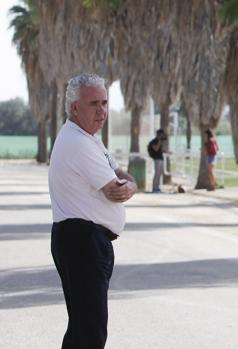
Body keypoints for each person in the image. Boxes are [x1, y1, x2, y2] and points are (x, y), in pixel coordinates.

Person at [49, 73, 138, 348]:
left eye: (104, 103)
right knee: (90, 333)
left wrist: (131, 184)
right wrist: (130, 186)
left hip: (82, 240)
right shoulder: (78, 143)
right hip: (82, 242)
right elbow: (116, 190)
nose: (101, 111)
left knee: (82, 330)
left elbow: (123, 175)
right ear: (75, 108)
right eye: (93, 104)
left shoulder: (88, 139)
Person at [148, 128, 166, 192]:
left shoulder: (160, 141)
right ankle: (154, 187)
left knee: (160, 173)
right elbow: (156, 149)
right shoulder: (154, 141)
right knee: (157, 173)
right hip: (157, 159)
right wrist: (159, 141)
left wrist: (166, 151)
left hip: (161, 159)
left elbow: (160, 150)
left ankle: (157, 187)